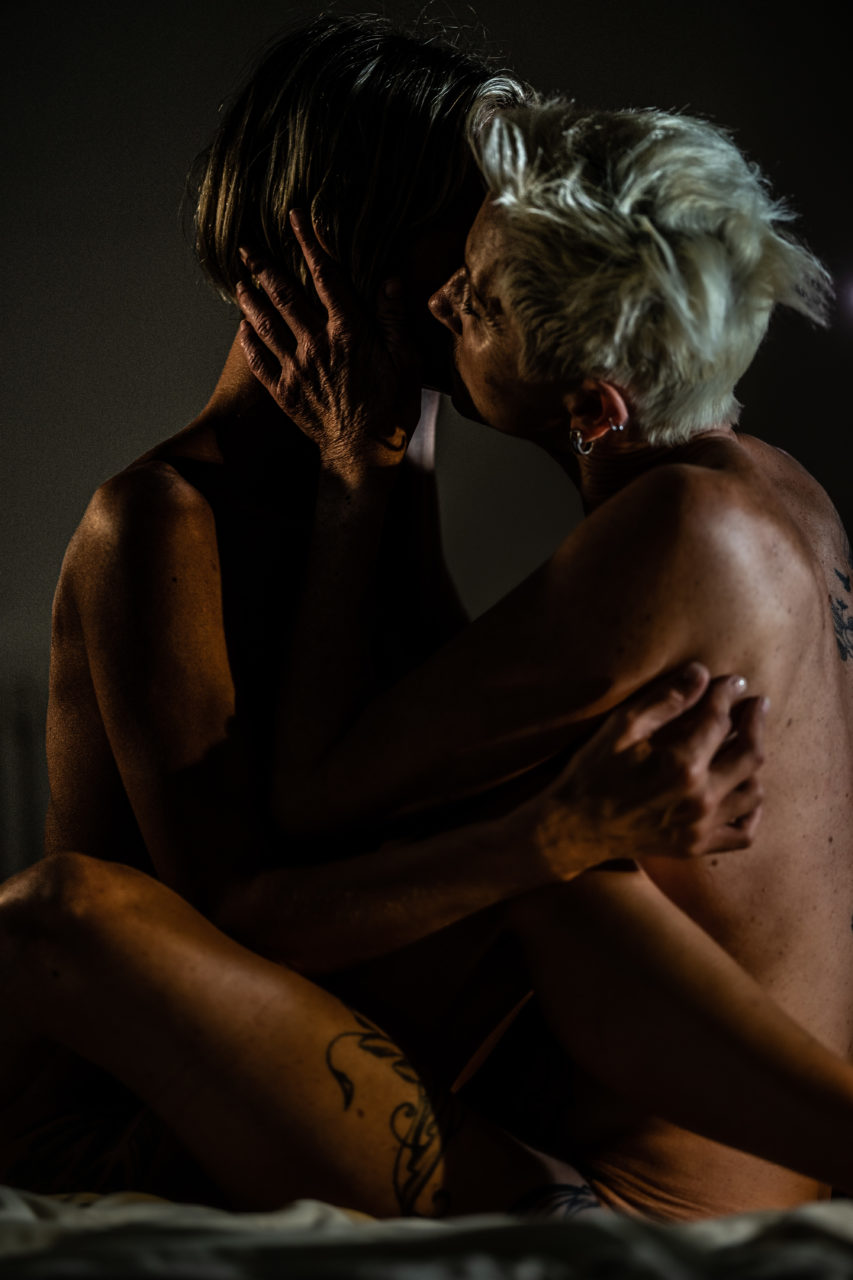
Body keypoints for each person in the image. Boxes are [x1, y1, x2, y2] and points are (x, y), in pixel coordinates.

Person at [28, 11, 773, 1198]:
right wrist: (557, 831)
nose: (500, 256)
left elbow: (413, 774)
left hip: (342, 1031)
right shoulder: (159, 520)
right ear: (340, 244)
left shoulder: (380, 463)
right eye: (477, 221)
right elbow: (234, 921)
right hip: (154, 1083)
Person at [235, 99, 850, 1220]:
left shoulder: (677, 535)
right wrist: (410, 454)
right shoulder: (778, 487)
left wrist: (353, 481)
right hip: (756, 1175)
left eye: (479, 302)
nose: (440, 301)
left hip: (663, 1200)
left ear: (593, 407)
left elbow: (315, 789)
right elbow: (466, 714)